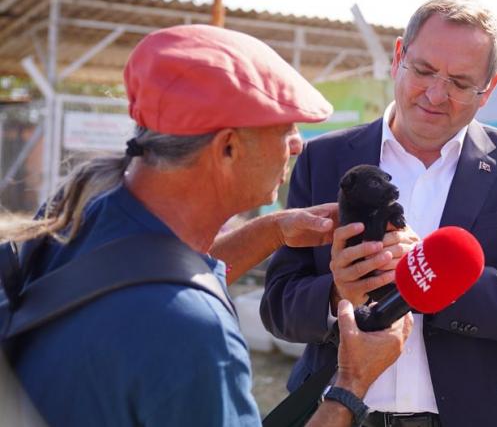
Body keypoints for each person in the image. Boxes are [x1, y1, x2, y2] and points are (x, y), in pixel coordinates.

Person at [3, 24, 412, 427]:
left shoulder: (78, 211)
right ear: (228, 147)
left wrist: (273, 231)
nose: (297, 143)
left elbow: (150, 275)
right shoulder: (194, 335)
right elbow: (166, 300)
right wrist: (351, 384)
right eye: (285, 128)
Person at [260, 0, 497, 427]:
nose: (435, 94)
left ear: (490, 88)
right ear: (398, 57)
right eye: (424, 71)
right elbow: (277, 305)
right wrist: (337, 295)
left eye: (461, 83)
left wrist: (432, 274)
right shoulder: (324, 159)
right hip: (336, 414)